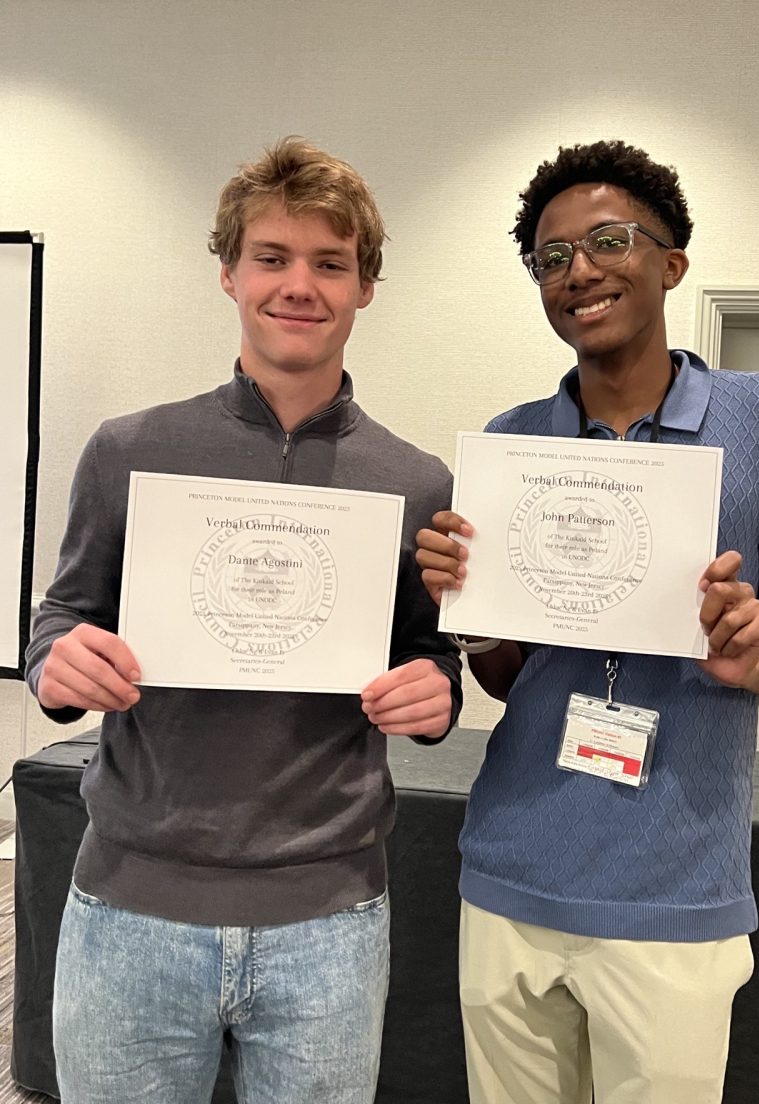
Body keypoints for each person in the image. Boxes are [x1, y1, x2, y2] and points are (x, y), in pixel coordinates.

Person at [26, 136, 461, 1104]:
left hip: (329, 926)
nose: (298, 285)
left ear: (365, 288)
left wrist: (433, 698)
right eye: (272, 257)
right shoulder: (130, 449)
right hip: (131, 908)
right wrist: (58, 662)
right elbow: (61, 616)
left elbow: (432, 663)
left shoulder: (417, 481)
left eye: (329, 263)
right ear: (228, 274)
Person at [415, 139, 759, 1104]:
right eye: (552, 256)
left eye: (608, 241)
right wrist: (471, 614)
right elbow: (506, 676)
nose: (581, 271)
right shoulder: (513, 442)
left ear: (671, 262)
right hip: (511, 865)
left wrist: (753, 662)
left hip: (676, 885)